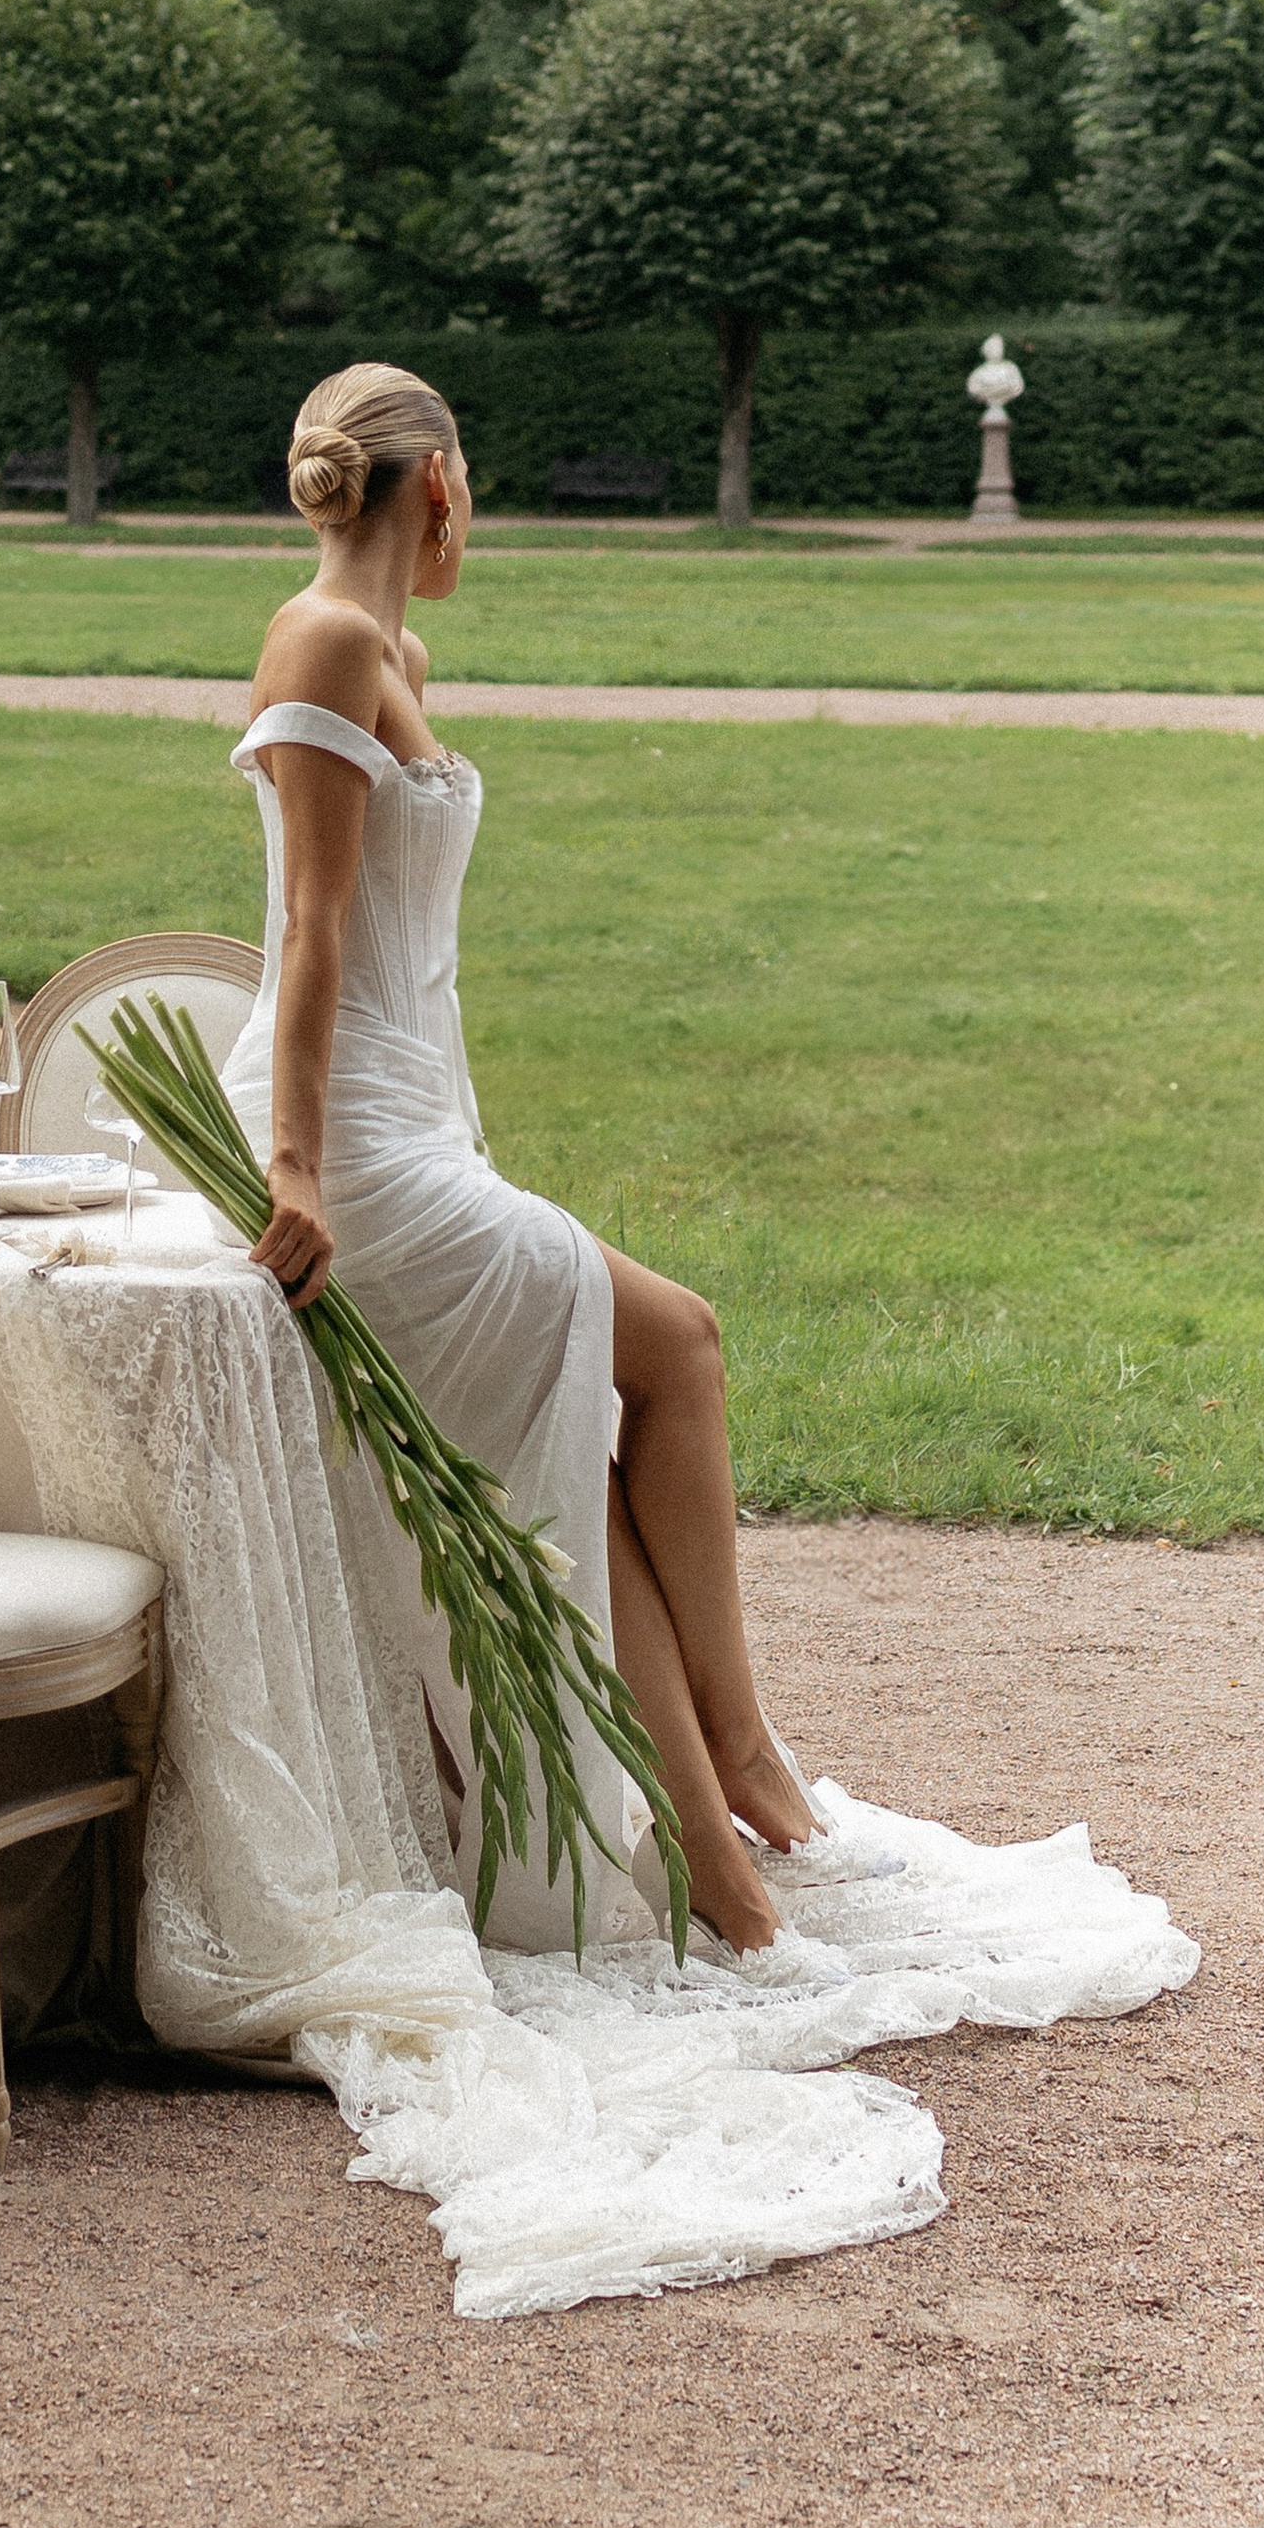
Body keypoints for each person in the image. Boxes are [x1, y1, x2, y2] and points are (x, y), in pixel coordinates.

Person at [216, 359, 813, 1953]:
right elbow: (314, 934)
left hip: (403, 1114)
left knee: (634, 1376)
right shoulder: (329, 640)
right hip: (346, 1140)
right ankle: (726, 1813)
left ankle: (725, 1803)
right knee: (652, 1352)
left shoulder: (390, 646)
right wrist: (298, 1168)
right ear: (443, 488)